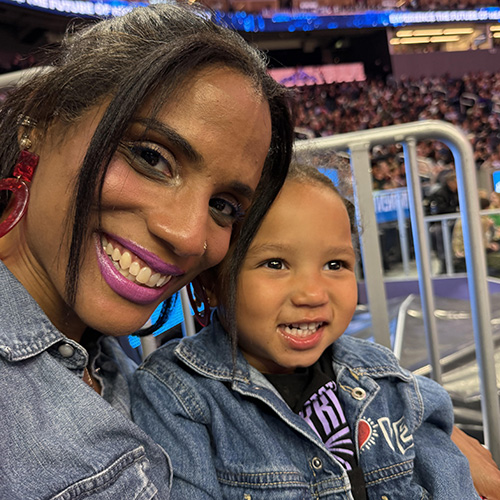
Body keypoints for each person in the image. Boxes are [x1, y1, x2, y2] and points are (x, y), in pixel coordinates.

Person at [0, 3, 294, 498]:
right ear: (43, 123)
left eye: (223, 205)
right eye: (152, 158)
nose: (190, 236)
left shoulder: (97, 355)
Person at [131, 163, 481, 499]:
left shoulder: (384, 376)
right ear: (210, 284)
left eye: (335, 264)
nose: (313, 294)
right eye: (275, 264)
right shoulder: (175, 396)